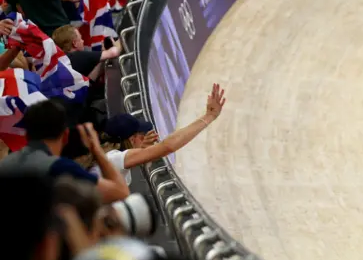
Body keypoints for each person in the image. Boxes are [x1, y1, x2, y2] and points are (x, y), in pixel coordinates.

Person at [91, 83, 225, 185]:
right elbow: (168, 147)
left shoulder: (105, 155)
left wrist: (141, 149)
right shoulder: (114, 159)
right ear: (132, 139)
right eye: (141, 136)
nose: (145, 138)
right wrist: (209, 117)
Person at [0, 99, 130, 203]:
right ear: (65, 135)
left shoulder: (5, 164)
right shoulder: (59, 168)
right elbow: (120, 191)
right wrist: (96, 149)